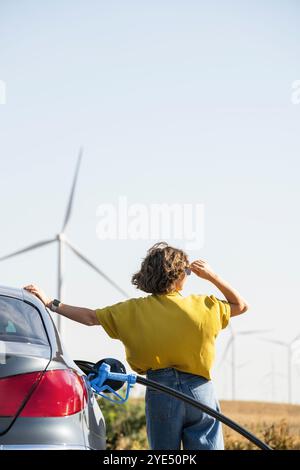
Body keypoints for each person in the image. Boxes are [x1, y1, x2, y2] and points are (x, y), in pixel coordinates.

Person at [24, 241, 249, 450]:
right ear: (181, 275)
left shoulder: (131, 310)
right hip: (200, 393)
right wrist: (212, 276)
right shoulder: (204, 305)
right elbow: (240, 305)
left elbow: (90, 317)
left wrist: (50, 303)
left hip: (161, 391)